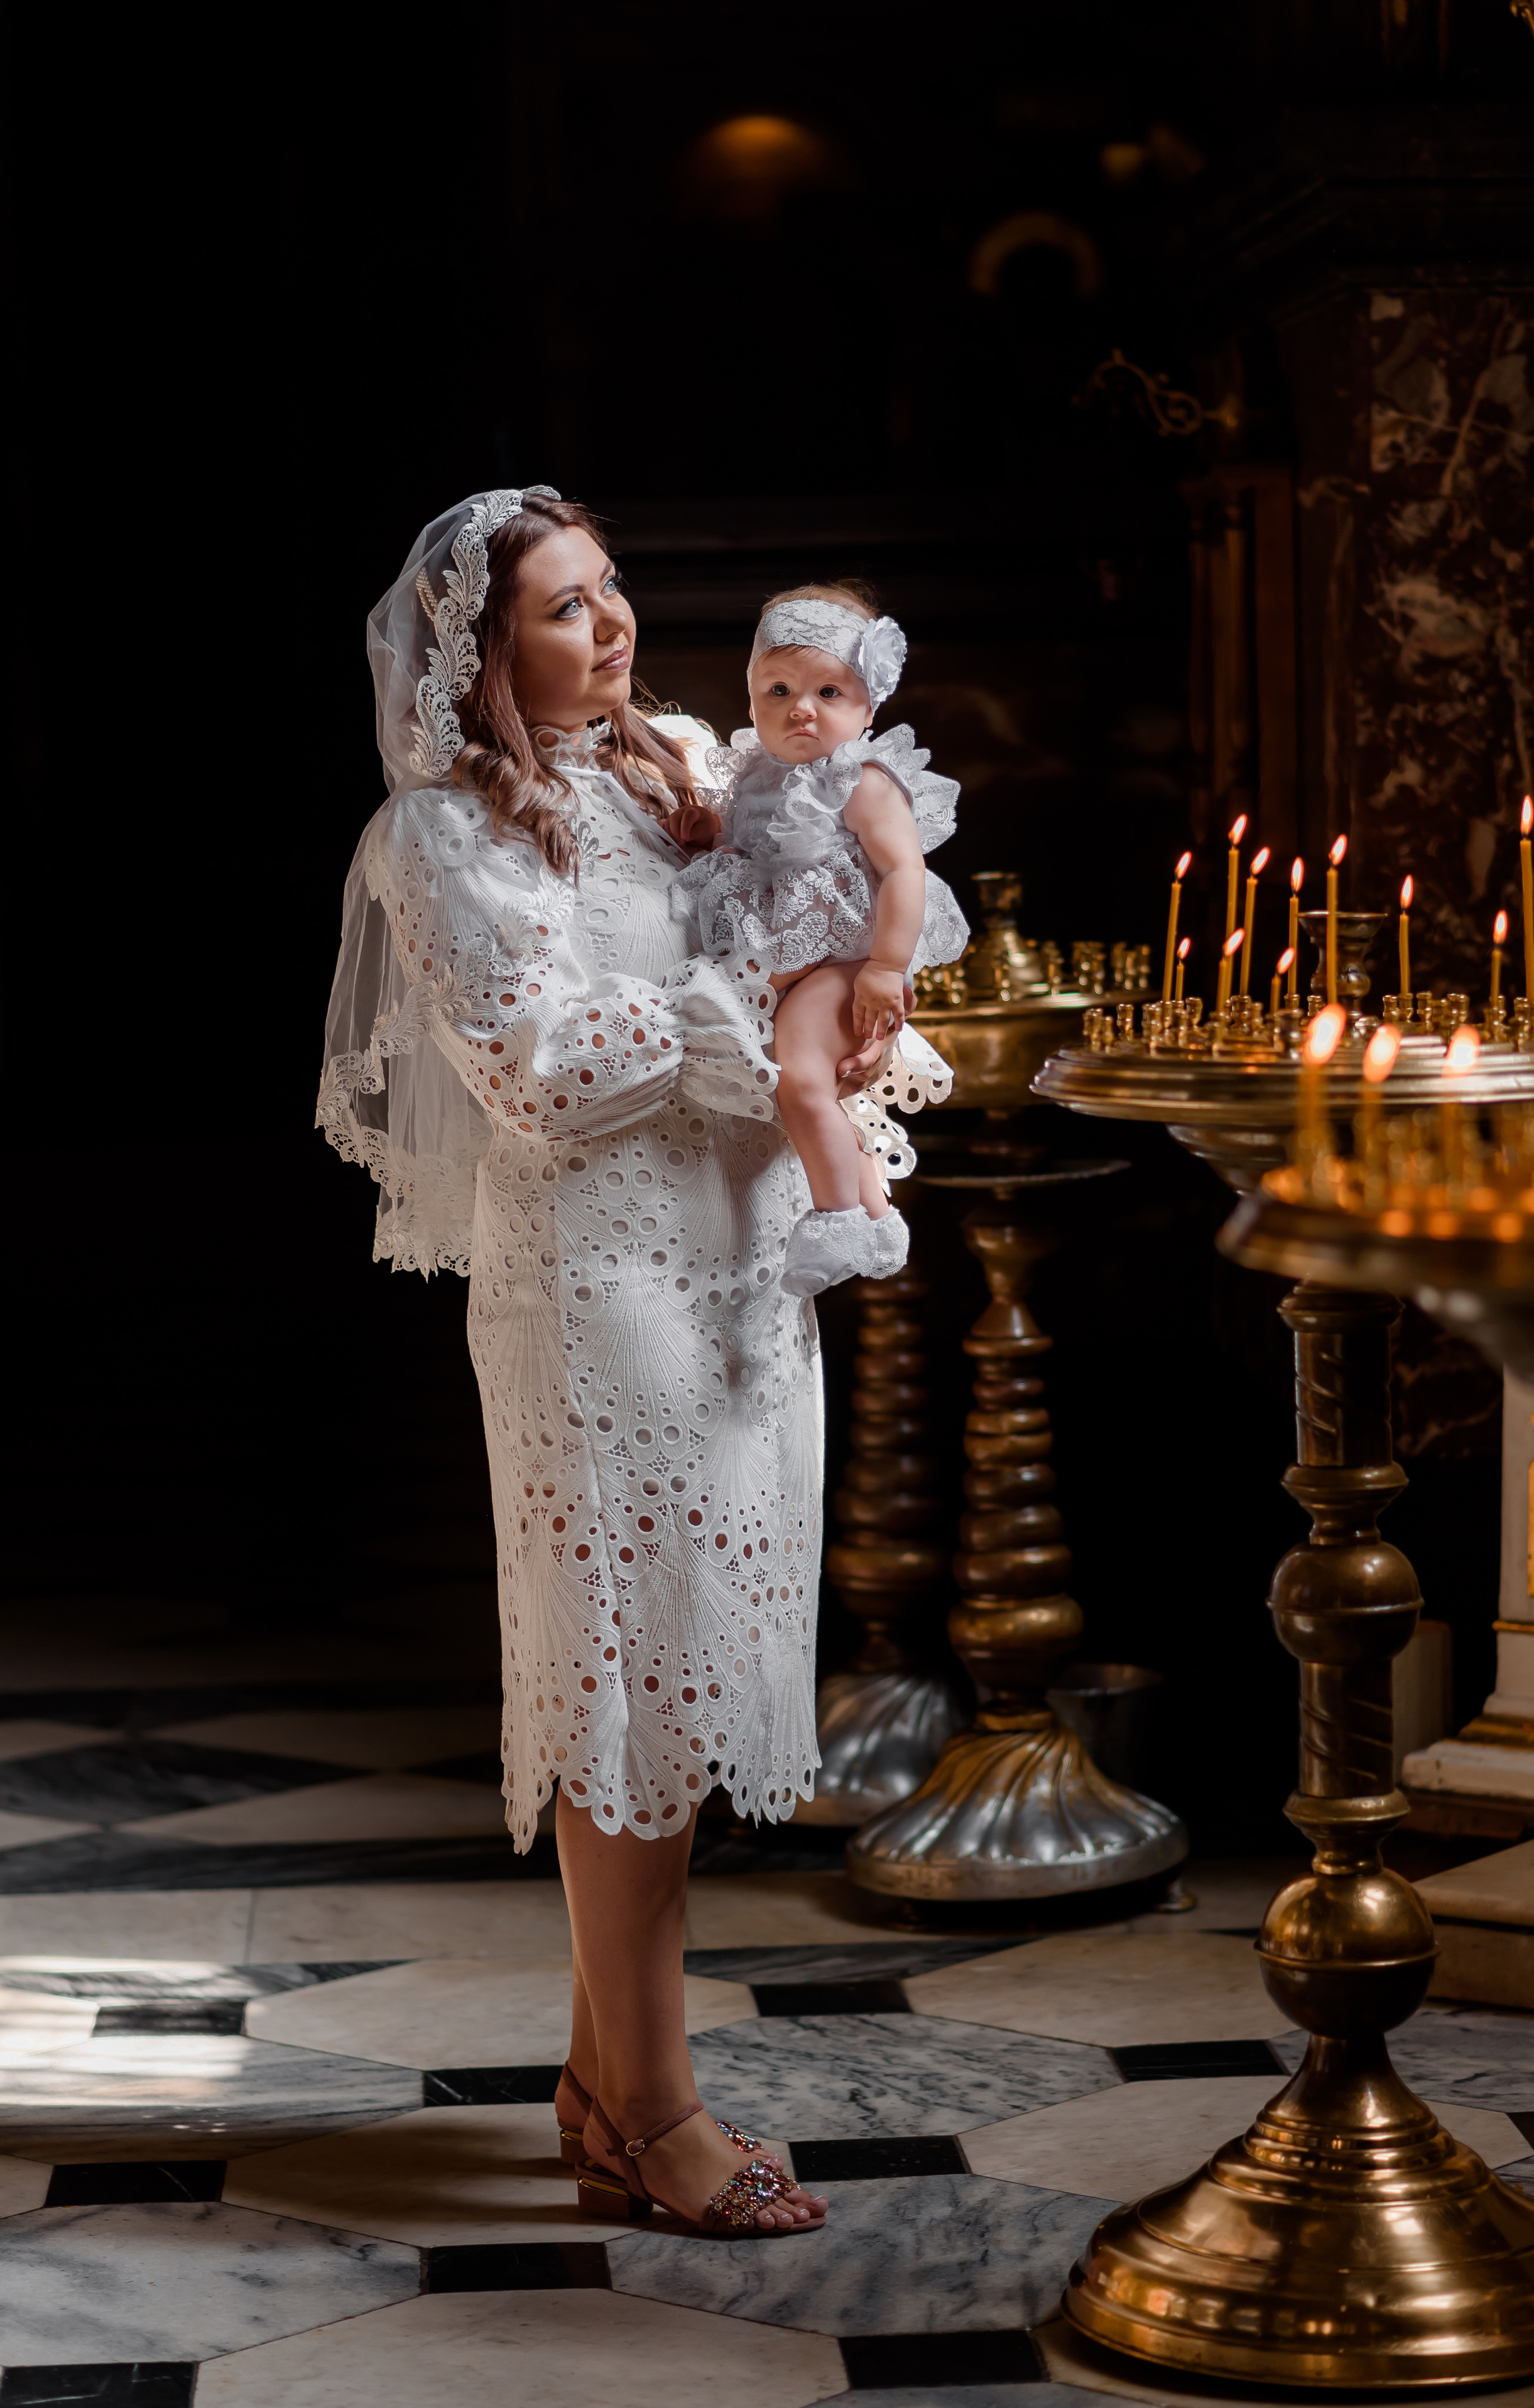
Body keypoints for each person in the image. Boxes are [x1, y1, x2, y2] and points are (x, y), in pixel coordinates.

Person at [318, 487, 903, 2233]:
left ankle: (599, 2086)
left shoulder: (684, 768)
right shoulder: (437, 835)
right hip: (596, 1294)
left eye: (612, 588)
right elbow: (541, 1071)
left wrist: (850, 992)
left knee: (689, 1667)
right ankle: (660, 2110)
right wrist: (755, 1023)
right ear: (486, 652)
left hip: (734, 1273)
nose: (615, 623)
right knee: (625, 1684)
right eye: (567, 607)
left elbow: (806, 905)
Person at [671, 586, 967, 1297]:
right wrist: (712, 833)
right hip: (795, 961)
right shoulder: (754, 775)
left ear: (868, 708)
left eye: (828, 692)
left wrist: (886, 968)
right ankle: (874, 1213)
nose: (801, 708)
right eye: (779, 690)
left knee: (801, 1077)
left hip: (849, 960)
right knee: (800, 1089)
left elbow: (904, 871)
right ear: (751, 701)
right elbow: (754, 851)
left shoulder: (861, 782)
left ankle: (836, 1219)